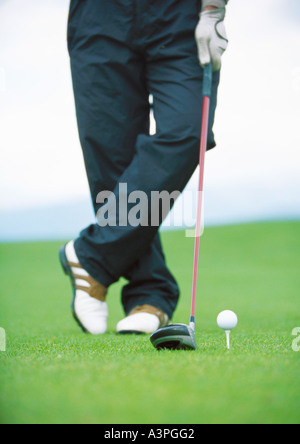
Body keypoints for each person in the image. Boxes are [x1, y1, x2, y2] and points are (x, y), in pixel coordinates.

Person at [59, 0, 229, 335]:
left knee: (188, 130)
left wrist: (213, 9)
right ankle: (149, 292)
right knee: (112, 153)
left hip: (180, 13)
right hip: (99, 16)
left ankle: (92, 255)